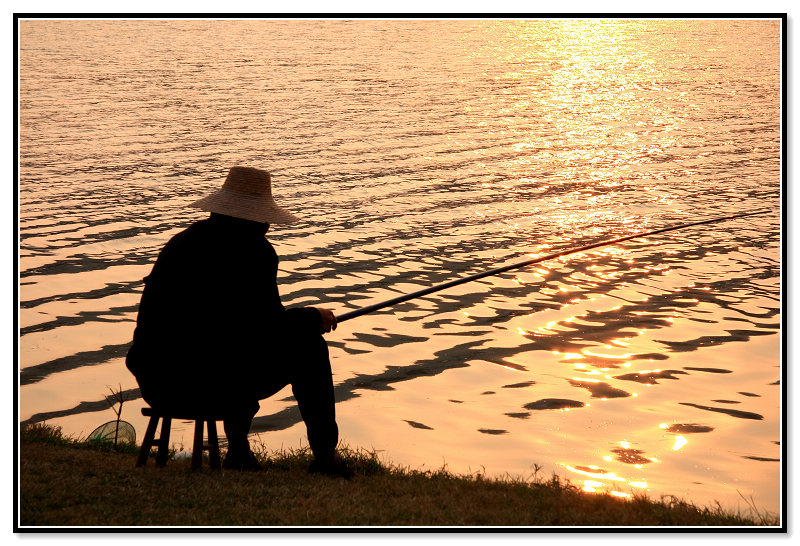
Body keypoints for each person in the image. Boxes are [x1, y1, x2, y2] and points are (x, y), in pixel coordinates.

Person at [126, 166, 348, 476]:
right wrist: (312, 318)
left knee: (229, 350)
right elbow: (266, 329)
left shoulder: (181, 243)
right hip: (209, 388)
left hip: (158, 382)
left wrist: (298, 320)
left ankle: (240, 451)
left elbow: (238, 329)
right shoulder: (256, 252)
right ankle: (325, 457)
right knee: (309, 348)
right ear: (259, 217)